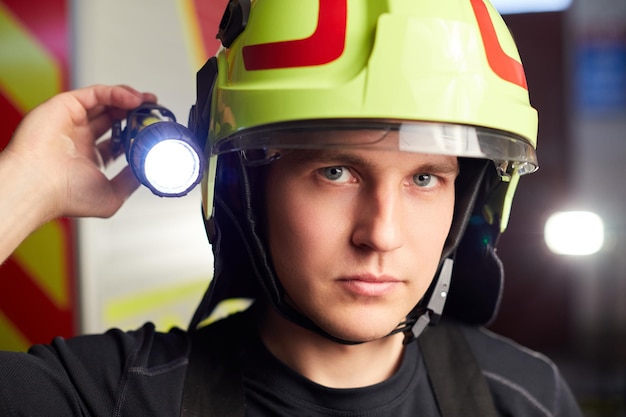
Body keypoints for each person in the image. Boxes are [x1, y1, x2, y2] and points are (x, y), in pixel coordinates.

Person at [0, 1, 584, 416]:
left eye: (426, 178)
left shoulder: (527, 396)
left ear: (471, 203)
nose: (381, 234)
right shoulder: (116, 395)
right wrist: (23, 186)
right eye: (335, 172)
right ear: (244, 190)